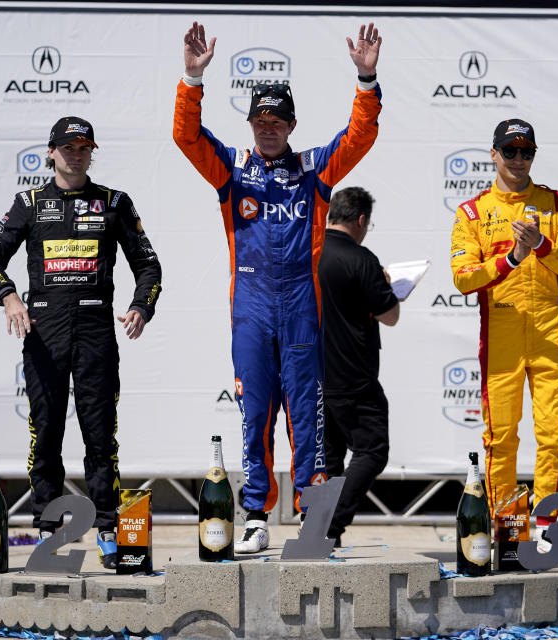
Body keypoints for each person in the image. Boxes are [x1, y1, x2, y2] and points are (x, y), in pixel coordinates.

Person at [174, 21, 383, 553]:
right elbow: (187, 137)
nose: (269, 129)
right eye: (260, 121)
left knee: (307, 413)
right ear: (250, 124)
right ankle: (255, 514)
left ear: (292, 124)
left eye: (278, 120)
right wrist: (191, 81)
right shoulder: (233, 169)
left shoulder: (313, 170)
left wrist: (365, 77)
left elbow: (359, 136)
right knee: (256, 412)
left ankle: (313, 513)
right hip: (250, 306)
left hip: (300, 307)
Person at [0, 117, 162, 569]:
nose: (77, 154)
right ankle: (47, 531)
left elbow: (150, 265)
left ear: (91, 153)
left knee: (101, 437)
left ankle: (108, 531)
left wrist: (141, 305)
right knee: (46, 436)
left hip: (96, 331)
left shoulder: (114, 202)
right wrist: (9, 296)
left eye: (84, 148)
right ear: (51, 153)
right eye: (68, 147)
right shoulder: (30, 202)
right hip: (45, 334)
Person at [449, 119, 558, 564]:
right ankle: (510, 533)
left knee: (554, 434)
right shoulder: (472, 212)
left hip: (548, 334)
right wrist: (511, 258)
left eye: (526, 152)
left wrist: (543, 246)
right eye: (510, 152)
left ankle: (549, 532)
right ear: (494, 155)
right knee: (501, 438)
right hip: (502, 336)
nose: (519, 160)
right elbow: (464, 278)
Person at [317, 187, 399, 547]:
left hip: (314, 374)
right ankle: (328, 527)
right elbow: (390, 315)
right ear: (362, 219)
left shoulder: (310, 252)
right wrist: (386, 287)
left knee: (331, 458)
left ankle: (318, 531)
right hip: (354, 376)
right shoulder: (361, 258)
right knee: (372, 450)